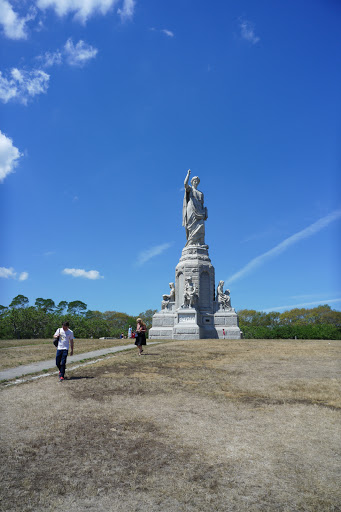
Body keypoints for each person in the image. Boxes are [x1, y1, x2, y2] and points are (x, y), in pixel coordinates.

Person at [182, 169, 208, 246]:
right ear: (192, 182)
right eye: (194, 181)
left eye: (197, 181)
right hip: (191, 209)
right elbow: (185, 184)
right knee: (191, 226)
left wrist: (205, 212)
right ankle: (191, 243)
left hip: (200, 211)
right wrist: (188, 175)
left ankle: (201, 242)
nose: (196, 182)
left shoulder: (201, 193)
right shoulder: (190, 189)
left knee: (201, 225)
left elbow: (202, 204)